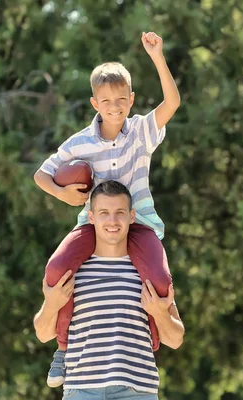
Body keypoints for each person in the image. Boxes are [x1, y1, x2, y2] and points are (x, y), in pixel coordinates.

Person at [33, 32, 181, 387]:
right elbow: (41, 174)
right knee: (56, 271)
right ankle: (64, 350)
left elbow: (172, 102)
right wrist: (63, 194)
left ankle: (149, 339)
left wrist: (157, 57)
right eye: (106, 100)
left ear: (131, 100)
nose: (114, 106)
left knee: (160, 281)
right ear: (94, 103)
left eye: (120, 99)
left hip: (139, 223)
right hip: (94, 224)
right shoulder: (80, 142)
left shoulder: (142, 131)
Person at [34, 181, 185, 399]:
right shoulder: (73, 271)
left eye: (120, 212)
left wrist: (160, 312)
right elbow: (43, 333)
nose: (112, 221)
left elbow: (175, 339)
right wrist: (51, 304)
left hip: (137, 391)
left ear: (131, 216)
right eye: (104, 212)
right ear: (91, 217)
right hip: (82, 391)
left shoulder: (147, 270)